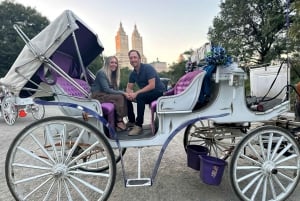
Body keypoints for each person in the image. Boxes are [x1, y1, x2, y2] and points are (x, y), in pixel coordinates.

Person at [125, 50, 165, 135]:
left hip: (158, 92)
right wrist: (129, 94)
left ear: (139, 59)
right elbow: (129, 87)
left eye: (135, 57)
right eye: (131, 58)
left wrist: (136, 93)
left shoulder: (147, 68)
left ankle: (138, 125)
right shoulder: (133, 74)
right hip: (147, 94)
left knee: (140, 96)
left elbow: (152, 85)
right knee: (126, 97)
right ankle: (131, 121)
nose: (133, 60)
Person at [91, 56, 127, 131]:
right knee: (120, 97)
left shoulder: (112, 74)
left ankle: (126, 120)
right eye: (112, 62)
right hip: (98, 95)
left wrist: (125, 94)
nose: (114, 64)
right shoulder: (102, 73)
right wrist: (123, 93)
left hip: (105, 94)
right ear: (107, 63)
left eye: (115, 63)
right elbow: (106, 89)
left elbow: (114, 89)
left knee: (124, 96)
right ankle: (119, 121)